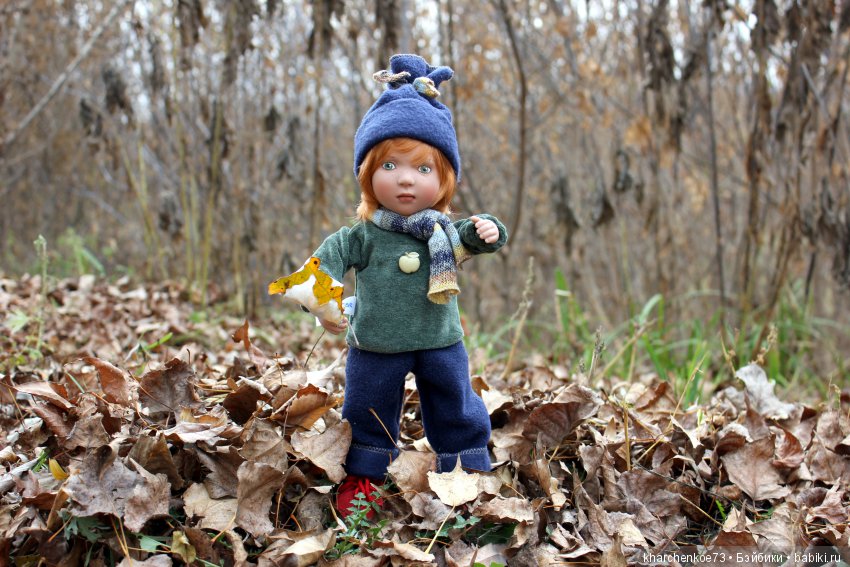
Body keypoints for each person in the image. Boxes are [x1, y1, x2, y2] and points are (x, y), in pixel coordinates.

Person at [288, 54, 507, 518]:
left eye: (424, 169)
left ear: (444, 180)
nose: (406, 178)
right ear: (367, 174)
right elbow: (323, 266)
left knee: (454, 400)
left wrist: (488, 229)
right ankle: (365, 472)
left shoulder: (441, 231)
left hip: (438, 338)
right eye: (389, 165)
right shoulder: (362, 235)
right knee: (367, 406)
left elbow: (471, 236)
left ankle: (464, 461)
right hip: (377, 342)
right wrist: (324, 305)